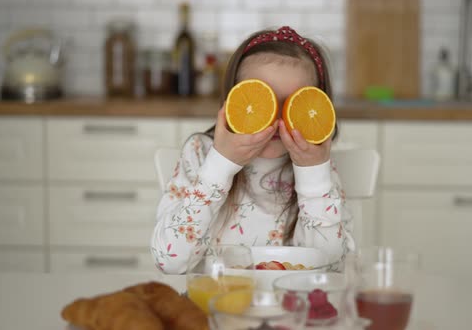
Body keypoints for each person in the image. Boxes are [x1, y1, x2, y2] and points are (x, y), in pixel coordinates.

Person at [151, 26, 355, 274]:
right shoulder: (200, 153)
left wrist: (314, 173)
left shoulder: (319, 166)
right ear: (233, 102)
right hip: (214, 306)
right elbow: (169, 262)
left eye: (294, 104)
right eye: (261, 102)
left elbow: (330, 269)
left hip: (290, 309)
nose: (277, 121)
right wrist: (221, 164)